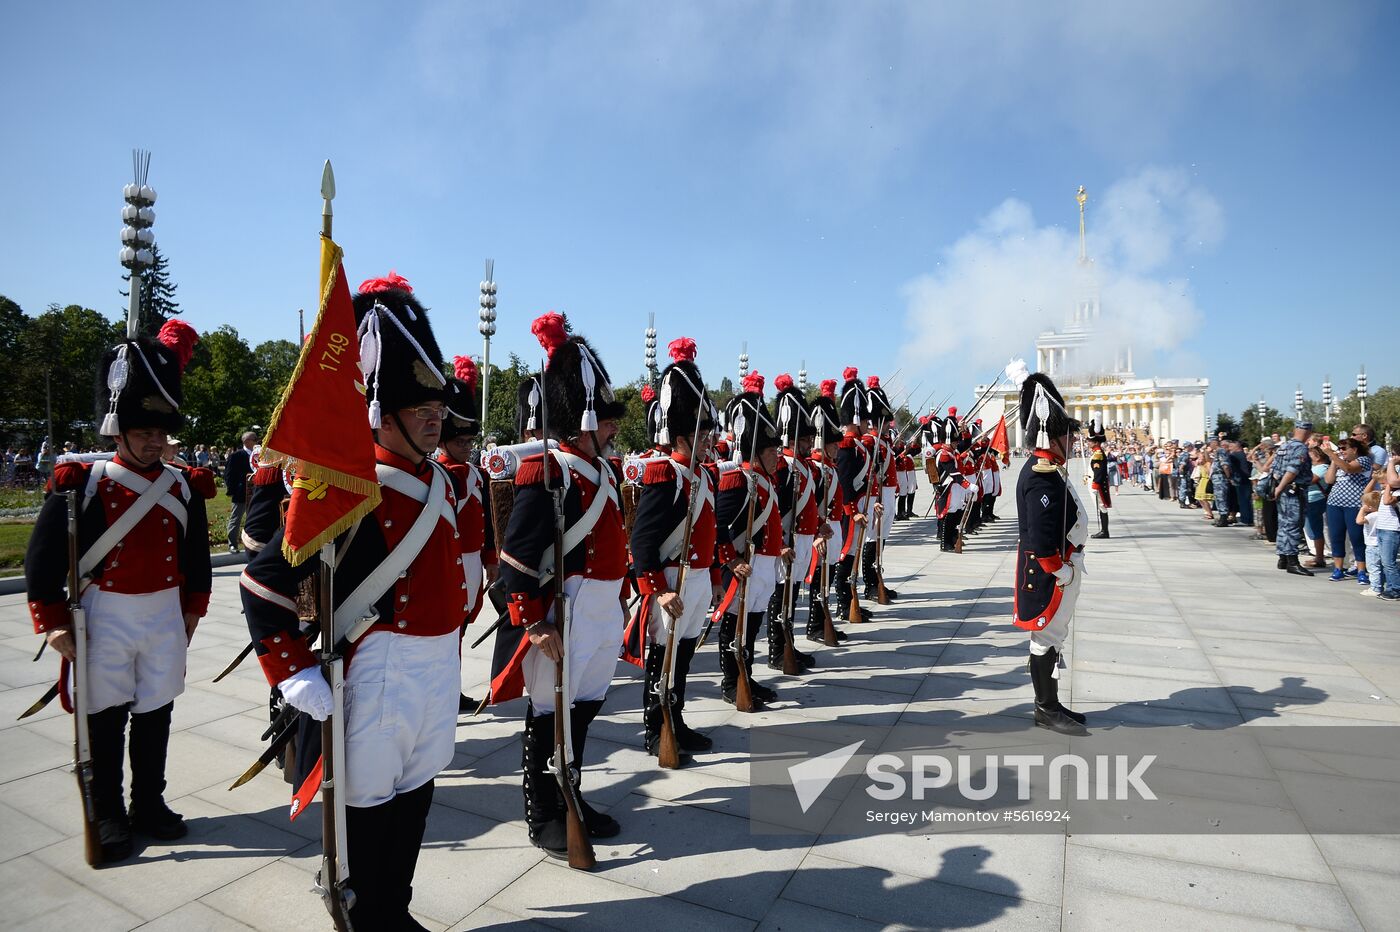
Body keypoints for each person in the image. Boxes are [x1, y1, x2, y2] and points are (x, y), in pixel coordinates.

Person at [241, 272, 478, 926]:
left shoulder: (441, 485)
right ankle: (369, 915)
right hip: (376, 676)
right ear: (384, 408)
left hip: (432, 672)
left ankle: (393, 912)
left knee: (416, 798)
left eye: (439, 413)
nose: (435, 421)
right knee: (369, 811)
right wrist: (292, 672)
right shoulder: (349, 485)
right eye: (421, 411)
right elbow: (264, 581)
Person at [25, 319, 211, 864]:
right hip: (103, 612)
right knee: (104, 718)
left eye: (161, 434)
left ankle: (148, 804)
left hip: (163, 616)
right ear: (118, 431)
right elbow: (42, 558)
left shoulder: (182, 484)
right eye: (144, 432)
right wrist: (53, 620)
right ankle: (107, 812)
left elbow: (196, 557)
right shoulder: (82, 480)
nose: (155, 441)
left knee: (156, 712)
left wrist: (192, 610)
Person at [488, 311, 628, 860]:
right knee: (549, 712)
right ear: (583, 417)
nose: (616, 428)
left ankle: (571, 791)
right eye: (608, 419)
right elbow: (516, 558)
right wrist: (531, 618)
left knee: (585, 707)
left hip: (598, 611)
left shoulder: (601, 471)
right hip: (562, 614)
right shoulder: (549, 470)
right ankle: (543, 811)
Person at [626, 337, 720, 759]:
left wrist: (714, 578)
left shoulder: (705, 475)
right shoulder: (665, 474)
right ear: (681, 435)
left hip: (697, 579)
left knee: (682, 658)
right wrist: (656, 588)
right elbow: (642, 539)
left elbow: (711, 536)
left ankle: (676, 720)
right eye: (702, 434)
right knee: (663, 658)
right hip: (671, 582)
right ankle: (656, 726)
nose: (709, 440)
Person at [1012, 371, 1088, 736]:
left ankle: (1052, 704)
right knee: (1046, 638)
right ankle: (1045, 708)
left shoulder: (1051, 469)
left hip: (1059, 568)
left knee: (1054, 637)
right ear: (1051, 435)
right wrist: (1063, 573)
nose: (1073, 440)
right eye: (1068, 434)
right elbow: (1043, 541)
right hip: (1048, 573)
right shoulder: (1041, 475)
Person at [713, 373, 788, 706]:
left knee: (752, 627)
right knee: (734, 628)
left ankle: (747, 674)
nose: (778, 457)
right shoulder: (737, 478)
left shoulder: (764, 479)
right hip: (744, 566)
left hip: (763, 566)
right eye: (772, 451)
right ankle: (732, 683)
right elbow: (719, 525)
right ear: (758, 453)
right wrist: (731, 559)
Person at [436, 354, 497, 713]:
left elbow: (486, 520)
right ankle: (446, 691)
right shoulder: (443, 474)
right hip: (453, 563)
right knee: (448, 633)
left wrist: (490, 559)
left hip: (473, 561)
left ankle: (451, 689)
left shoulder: (471, 472)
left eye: (469, 439)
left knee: (458, 632)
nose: (467, 444)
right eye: (460, 439)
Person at [1321, 437, 1372, 583]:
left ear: (1354, 450)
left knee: (1357, 537)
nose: (1341, 451)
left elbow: (1349, 469)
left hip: (1354, 504)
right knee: (1336, 536)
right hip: (1335, 503)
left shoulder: (1363, 460)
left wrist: (1331, 454)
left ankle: (1362, 570)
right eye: (1340, 448)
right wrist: (1333, 460)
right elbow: (1329, 480)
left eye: (1344, 449)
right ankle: (1338, 569)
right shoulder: (1339, 462)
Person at [1270, 421, 1315, 576]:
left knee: (1284, 524)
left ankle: (1283, 558)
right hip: (1293, 491)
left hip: (1284, 492)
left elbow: (1275, 468)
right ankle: (1292, 562)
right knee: (1293, 525)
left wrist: (1277, 488)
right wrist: (1280, 487)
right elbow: (1292, 470)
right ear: (1308, 432)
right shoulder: (1300, 447)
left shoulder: (1284, 446)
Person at [223, 431, 257, 552]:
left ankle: (252, 544)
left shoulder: (259, 455)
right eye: (255, 439)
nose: (257, 442)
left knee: (253, 518)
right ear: (246, 441)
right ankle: (232, 544)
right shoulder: (236, 456)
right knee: (236, 518)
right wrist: (232, 490)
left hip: (256, 493)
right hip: (240, 493)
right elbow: (228, 475)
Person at [1303, 446, 1330, 567]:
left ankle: (1320, 558)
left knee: (1315, 528)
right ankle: (1318, 556)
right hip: (1309, 500)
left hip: (1316, 501)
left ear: (1318, 457)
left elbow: (1311, 480)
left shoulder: (1323, 467)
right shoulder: (1314, 467)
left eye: (1310, 455)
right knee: (1311, 529)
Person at [1088, 420, 1111, 539]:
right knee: (1100, 507)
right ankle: (1104, 530)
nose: (1088, 442)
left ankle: (1104, 531)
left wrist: (1095, 483)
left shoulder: (1098, 453)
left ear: (1095, 442)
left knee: (1102, 507)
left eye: (1090, 441)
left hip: (1098, 484)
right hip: (1096, 483)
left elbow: (1099, 471)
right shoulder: (1096, 452)